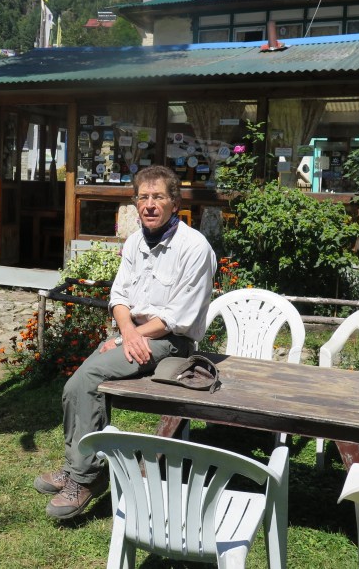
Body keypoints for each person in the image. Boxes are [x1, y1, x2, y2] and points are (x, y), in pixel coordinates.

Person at [34, 165, 217, 520]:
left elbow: (177, 318)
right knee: (75, 387)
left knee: (88, 380)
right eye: (143, 197)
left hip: (171, 342)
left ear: (175, 202)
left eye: (158, 197)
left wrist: (128, 335)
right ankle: (77, 467)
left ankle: (84, 478)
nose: (149, 205)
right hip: (134, 334)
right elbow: (118, 297)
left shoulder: (194, 247)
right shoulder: (135, 241)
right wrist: (126, 333)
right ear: (135, 202)